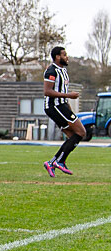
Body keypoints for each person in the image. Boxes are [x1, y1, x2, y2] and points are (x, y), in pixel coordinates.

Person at [42, 46, 85, 177]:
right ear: (57, 57)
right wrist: (69, 96)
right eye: (64, 55)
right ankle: (59, 161)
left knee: (74, 136)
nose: (67, 57)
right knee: (82, 132)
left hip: (62, 106)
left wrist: (69, 108)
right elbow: (47, 91)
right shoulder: (51, 70)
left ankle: (52, 162)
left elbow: (63, 92)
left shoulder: (64, 71)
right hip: (54, 107)